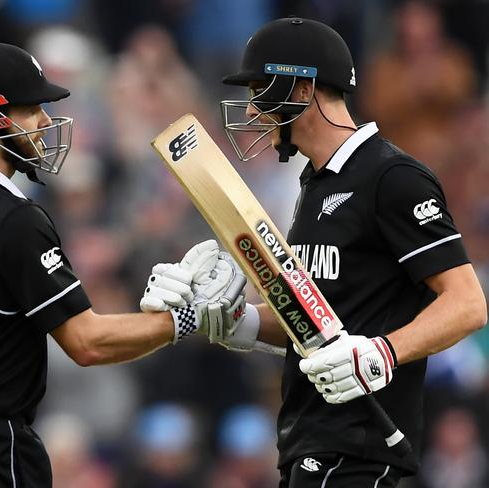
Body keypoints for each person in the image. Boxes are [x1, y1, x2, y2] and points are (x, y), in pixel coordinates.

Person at [0, 42, 246, 488]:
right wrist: (186, 319)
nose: (44, 122)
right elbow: (88, 342)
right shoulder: (14, 219)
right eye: (31, 110)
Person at [145, 18, 487, 487]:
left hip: (360, 449)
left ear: (304, 90)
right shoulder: (314, 182)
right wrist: (227, 318)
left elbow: (467, 303)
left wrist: (383, 353)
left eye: (263, 90)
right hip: (310, 445)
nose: (254, 108)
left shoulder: (391, 177)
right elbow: (316, 321)